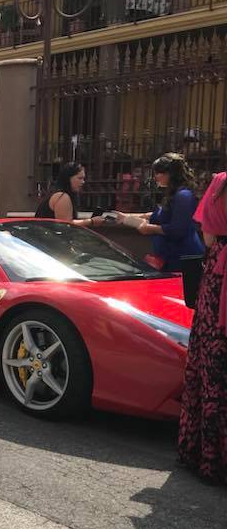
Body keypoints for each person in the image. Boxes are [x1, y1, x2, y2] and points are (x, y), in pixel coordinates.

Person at [178, 171, 227, 484]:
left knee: (214, 365)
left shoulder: (221, 183)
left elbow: (208, 237)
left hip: (219, 280)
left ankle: (211, 457)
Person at [114, 154, 205, 272]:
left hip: (182, 257)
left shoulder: (184, 196)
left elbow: (178, 229)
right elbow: (159, 214)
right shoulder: (173, 194)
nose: (155, 177)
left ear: (169, 174)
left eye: (157, 173)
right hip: (168, 256)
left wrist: (149, 228)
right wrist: (128, 217)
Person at [35, 162, 105, 228]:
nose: (83, 182)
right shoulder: (62, 197)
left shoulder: (60, 194)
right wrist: (91, 221)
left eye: (83, 179)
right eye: (79, 178)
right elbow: (65, 225)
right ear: (68, 178)